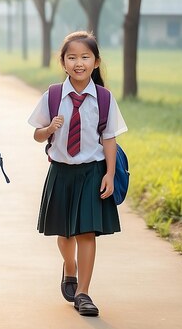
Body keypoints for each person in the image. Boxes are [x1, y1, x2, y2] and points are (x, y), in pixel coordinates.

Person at [28, 31, 127, 317]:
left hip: (91, 173)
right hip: (61, 172)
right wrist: (49, 129)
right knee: (65, 233)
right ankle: (68, 267)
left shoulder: (104, 98)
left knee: (86, 233)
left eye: (85, 57)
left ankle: (83, 292)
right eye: (72, 57)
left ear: (96, 62)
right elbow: (36, 134)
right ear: (63, 62)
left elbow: (109, 139)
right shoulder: (54, 96)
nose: (78, 63)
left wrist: (109, 173)